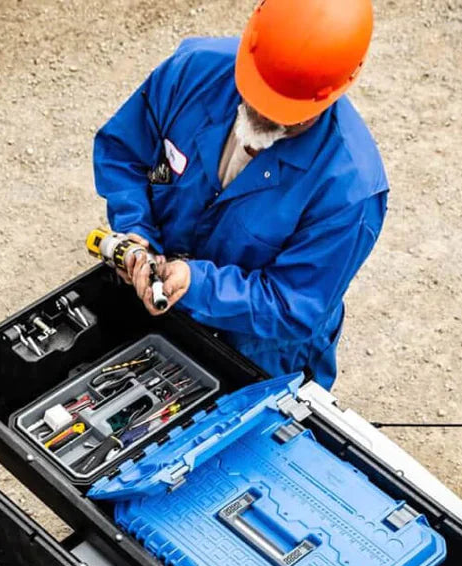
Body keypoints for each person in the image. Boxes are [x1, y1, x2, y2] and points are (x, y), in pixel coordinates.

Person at [93, 0, 387, 386]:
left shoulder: (350, 191)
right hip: (158, 312)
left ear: (336, 90)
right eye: (257, 93)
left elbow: (292, 305)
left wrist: (197, 284)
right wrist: (137, 231)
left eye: (285, 113)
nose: (262, 114)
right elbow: (123, 151)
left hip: (259, 358)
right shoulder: (193, 71)